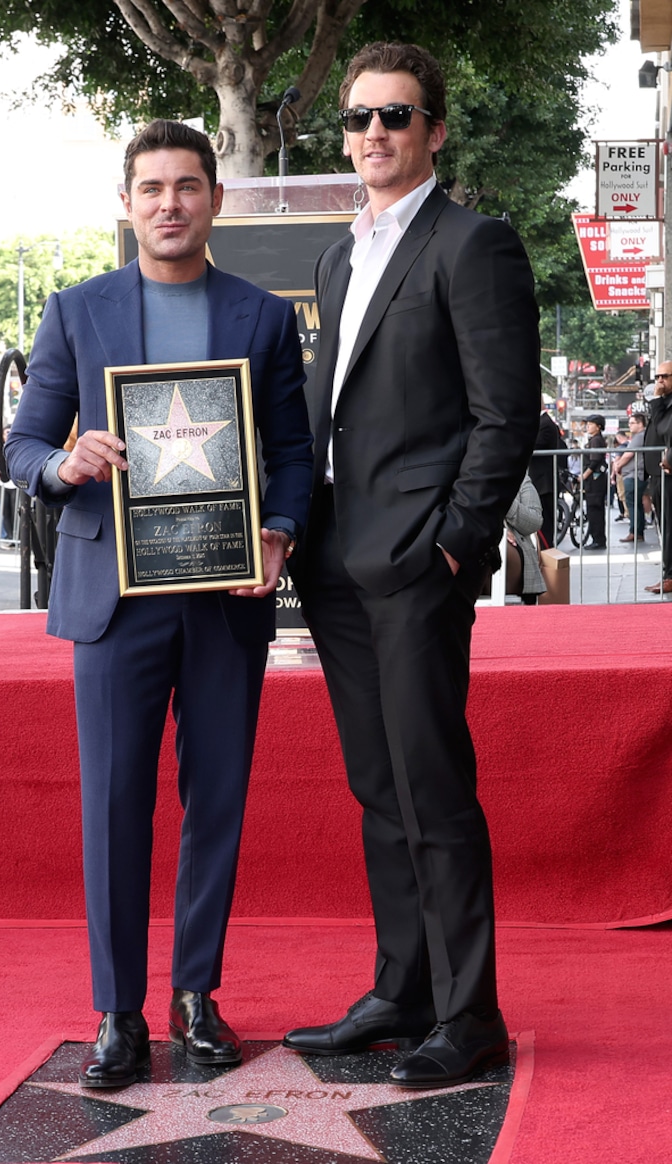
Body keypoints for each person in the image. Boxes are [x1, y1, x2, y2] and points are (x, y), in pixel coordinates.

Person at [5, 119, 313, 1089]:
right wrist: (64, 460)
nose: (170, 203)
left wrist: (281, 530)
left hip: (224, 592)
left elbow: (294, 454)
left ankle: (195, 997)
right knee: (113, 804)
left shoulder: (261, 318)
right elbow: (22, 446)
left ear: (215, 199)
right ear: (127, 204)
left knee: (215, 800)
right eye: (151, 188)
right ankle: (116, 1014)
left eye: (187, 186)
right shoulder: (75, 311)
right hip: (113, 597)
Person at [283, 41, 540, 1089]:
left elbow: (502, 413)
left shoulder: (470, 244)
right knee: (377, 786)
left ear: (432, 130)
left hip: (415, 561)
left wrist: (454, 543)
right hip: (338, 560)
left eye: (393, 117)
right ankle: (404, 988)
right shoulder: (341, 255)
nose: (372, 136)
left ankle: (469, 1014)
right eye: (356, 120)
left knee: (431, 789)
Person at [644, 361, 672, 594]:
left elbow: (665, 429)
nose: (659, 381)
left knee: (669, 526)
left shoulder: (663, 405)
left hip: (668, 472)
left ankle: (669, 575)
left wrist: (656, 401)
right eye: (657, 376)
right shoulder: (663, 403)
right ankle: (667, 574)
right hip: (659, 473)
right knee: (664, 525)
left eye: (665, 376)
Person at [504, 473, 546, 604]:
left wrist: (504, 501)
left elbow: (534, 521)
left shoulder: (520, 480)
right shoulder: (464, 478)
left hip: (515, 548)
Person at [528, 406, 563, 548]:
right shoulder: (541, 423)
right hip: (540, 481)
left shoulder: (546, 424)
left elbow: (534, 445)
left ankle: (546, 550)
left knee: (545, 522)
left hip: (544, 482)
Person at [612, 412, 646, 544]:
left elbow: (628, 455)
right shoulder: (641, 436)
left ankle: (634, 532)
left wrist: (618, 466)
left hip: (634, 474)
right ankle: (638, 532)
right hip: (635, 474)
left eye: (632, 423)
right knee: (636, 504)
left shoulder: (639, 437)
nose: (629, 426)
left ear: (640, 423)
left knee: (632, 504)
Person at [580, 413, 608, 550]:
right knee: (594, 509)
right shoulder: (594, 439)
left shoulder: (596, 440)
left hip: (595, 480)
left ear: (598, 427)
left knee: (594, 510)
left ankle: (598, 539)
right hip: (596, 480)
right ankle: (598, 538)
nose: (588, 426)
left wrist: (584, 476)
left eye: (590, 424)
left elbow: (595, 460)